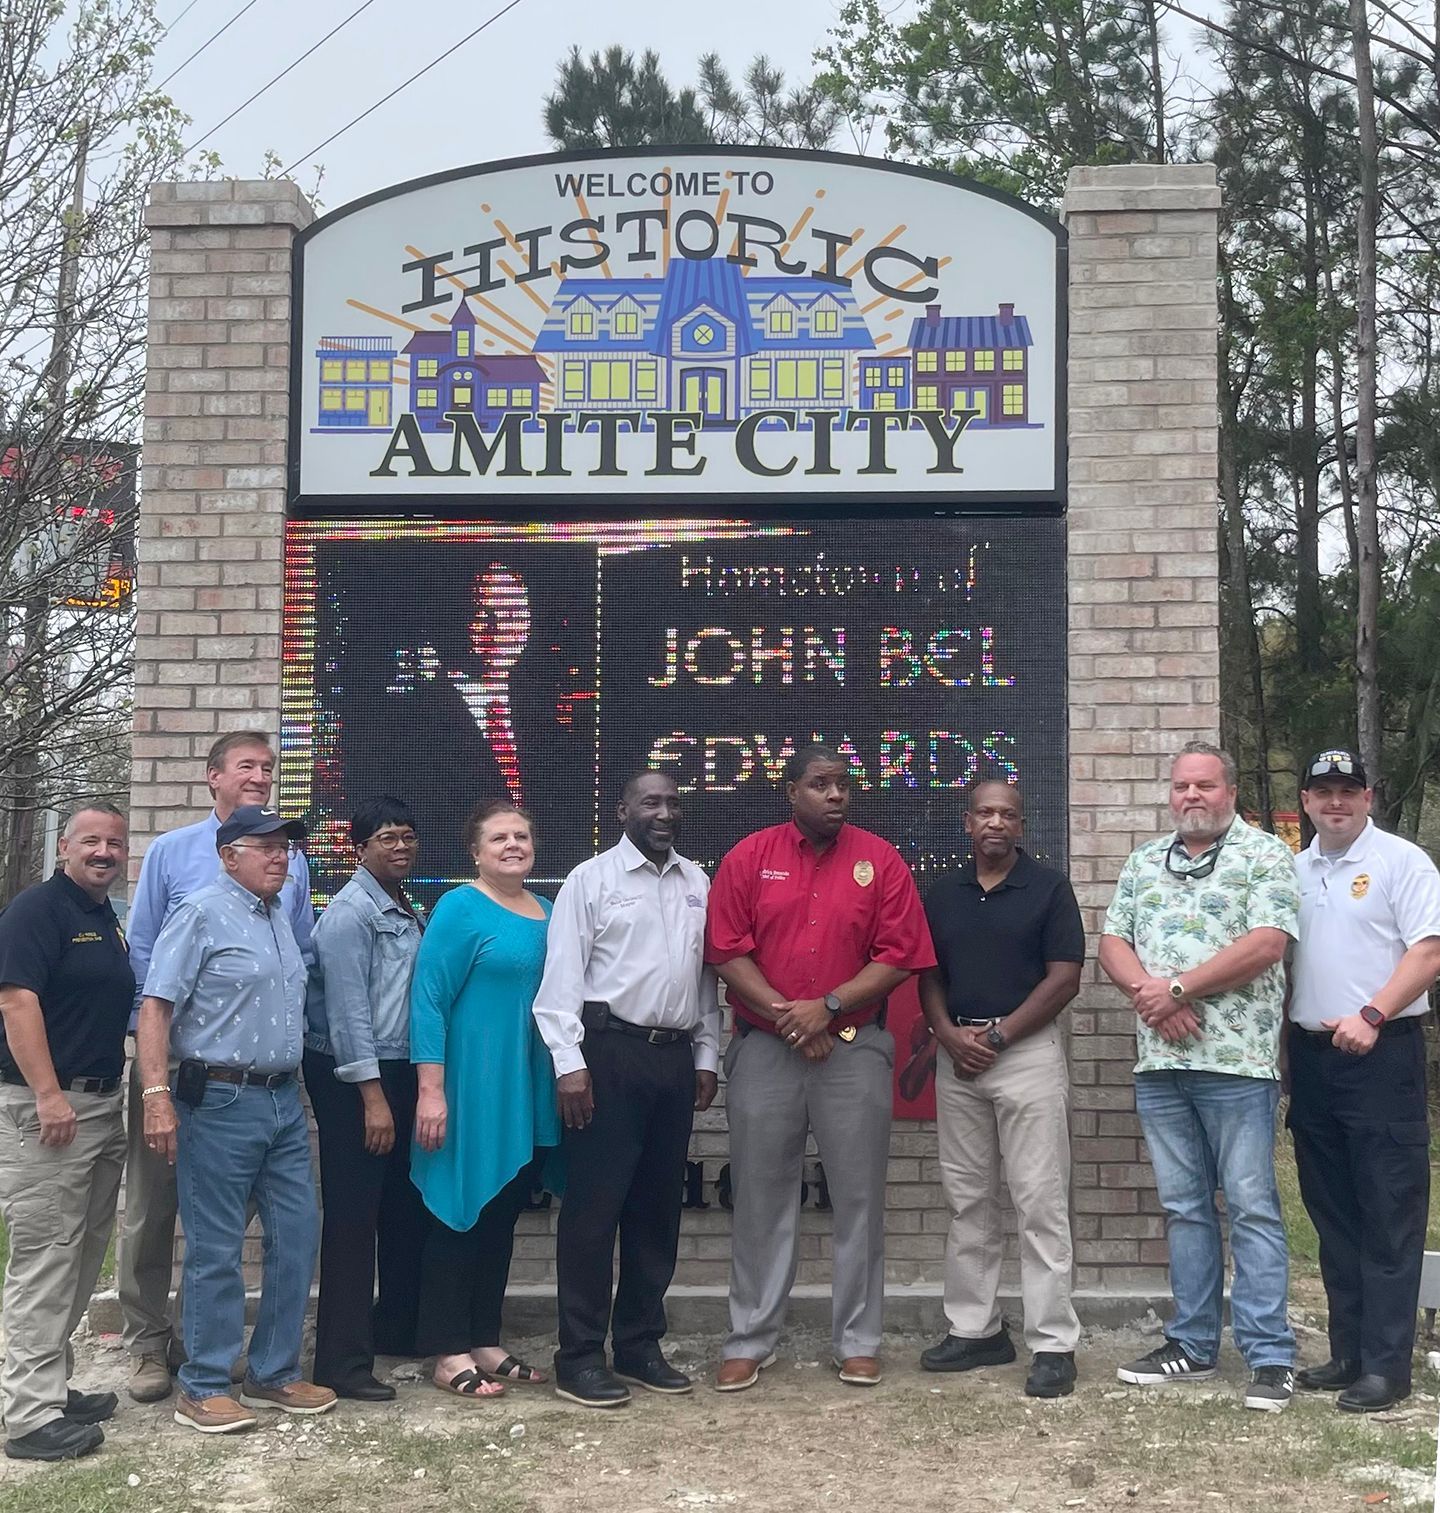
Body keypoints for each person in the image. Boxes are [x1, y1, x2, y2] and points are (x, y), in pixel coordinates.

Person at [705, 745, 935, 1392]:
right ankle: (749, 1339)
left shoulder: (880, 860)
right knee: (759, 1196)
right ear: (791, 791)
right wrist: (791, 1018)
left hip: (853, 1049)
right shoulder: (749, 857)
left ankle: (858, 1340)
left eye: (843, 784)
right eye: (820, 784)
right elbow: (724, 949)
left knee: (858, 1199)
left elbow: (900, 954)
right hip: (765, 1048)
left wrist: (827, 1007)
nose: (836, 795)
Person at [1099, 741, 1300, 1412]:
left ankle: (1270, 1356)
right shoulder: (1144, 861)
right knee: (1185, 1209)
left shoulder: (1264, 855)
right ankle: (1191, 1343)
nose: (1192, 796)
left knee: (1251, 1207)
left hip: (1237, 1065)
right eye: (1182, 785)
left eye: (1205, 785)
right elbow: (1112, 943)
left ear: (1230, 792)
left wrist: (1179, 988)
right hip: (1161, 1065)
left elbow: (1267, 942)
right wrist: (1152, 996)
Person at [120, 730, 314, 1404]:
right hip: (219, 1097)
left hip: (283, 1100)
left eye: (285, 848)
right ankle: (204, 1382)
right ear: (229, 857)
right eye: (267, 847)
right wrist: (156, 1092)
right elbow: (155, 1002)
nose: (280, 857)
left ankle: (274, 1372)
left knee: (296, 1235)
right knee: (215, 1246)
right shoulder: (198, 910)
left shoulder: (279, 913)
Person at [532, 772, 720, 1408]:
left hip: (673, 1060)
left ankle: (640, 1344)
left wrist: (705, 1055)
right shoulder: (590, 881)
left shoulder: (697, 882)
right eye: (650, 802)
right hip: (607, 1055)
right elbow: (561, 980)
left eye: (673, 802)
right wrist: (569, 1064)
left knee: (656, 1211)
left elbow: (702, 981)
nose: (664, 812)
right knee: (593, 1211)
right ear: (622, 810)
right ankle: (579, 1356)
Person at [917, 780, 1085, 1398]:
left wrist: (998, 1036)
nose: (995, 823)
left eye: (1007, 815)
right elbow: (928, 974)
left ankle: (1053, 1342)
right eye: (985, 813)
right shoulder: (943, 893)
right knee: (968, 1199)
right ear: (968, 823)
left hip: (1024, 1055)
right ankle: (976, 1329)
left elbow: (1064, 978)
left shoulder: (1049, 889)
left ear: (1021, 827)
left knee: (1040, 1201)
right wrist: (946, 1033)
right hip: (958, 1057)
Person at [1288, 748, 1440, 1412]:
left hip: (1380, 1054)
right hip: (1313, 1060)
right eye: (1323, 792)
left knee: (1388, 1212)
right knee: (1334, 1214)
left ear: (1368, 797)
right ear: (1305, 801)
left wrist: (1373, 1013)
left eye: (1348, 790)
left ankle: (1385, 1366)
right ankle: (1347, 1352)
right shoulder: (1294, 870)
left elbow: (1429, 951)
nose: (1336, 802)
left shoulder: (1402, 863)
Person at [410, 801, 560, 1402]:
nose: (512, 845)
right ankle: (448, 1350)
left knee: (500, 1210)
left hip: (525, 1082)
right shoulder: (459, 907)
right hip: (469, 1084)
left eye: (522, 835)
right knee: (459, 1208)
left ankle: (484, 1338)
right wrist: (430, 1091)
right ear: (475, 852)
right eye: (498, 838)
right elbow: (428, 1000)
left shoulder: (549, 912)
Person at [0, 806, 132, 1462]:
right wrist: (49, 1095)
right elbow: (15, 1000)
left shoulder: (103, 916)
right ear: (64, 848)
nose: (104, 851)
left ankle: (49, 1386)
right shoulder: (37, 910)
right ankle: (28, 1416)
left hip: (101, 1108)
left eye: (115, 842)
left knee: (80, 1257)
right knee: (46, 1257)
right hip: (49, 1110)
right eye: (91, 841)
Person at [304, 796, 430, 1400]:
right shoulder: (350, 915)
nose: (400, 847)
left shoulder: (404, 906)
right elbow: (348, 1012)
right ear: (359, 849)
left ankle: (396, 1329)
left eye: (407, 836)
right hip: (355, 1077)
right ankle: (342, 1362)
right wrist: (372, 1098)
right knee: (354, 1219)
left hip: (400, 1069)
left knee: (402, 1207)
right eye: (386, 838)